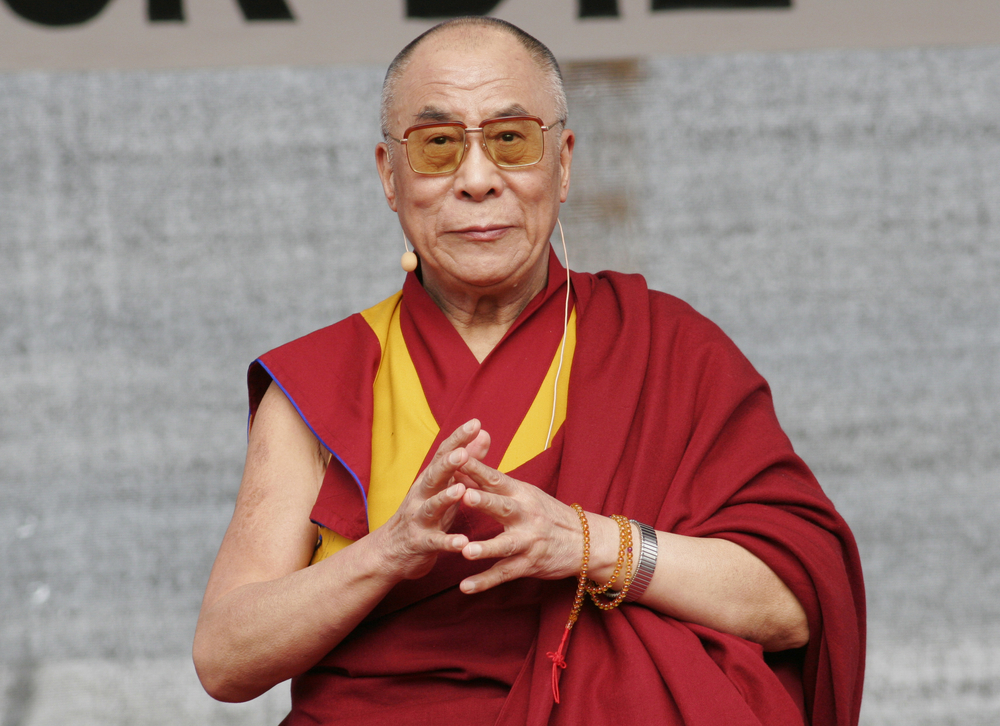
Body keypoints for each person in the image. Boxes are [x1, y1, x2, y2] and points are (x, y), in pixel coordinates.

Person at [193, 16, 865, 726]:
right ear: (390, 175)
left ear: (563, 163)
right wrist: (388, 553)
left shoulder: (666, 350)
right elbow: (224, 657)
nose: (477, 180)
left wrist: (587, 543)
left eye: (511, 140)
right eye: (438, 145)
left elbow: (792, 606)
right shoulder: (323, 383)